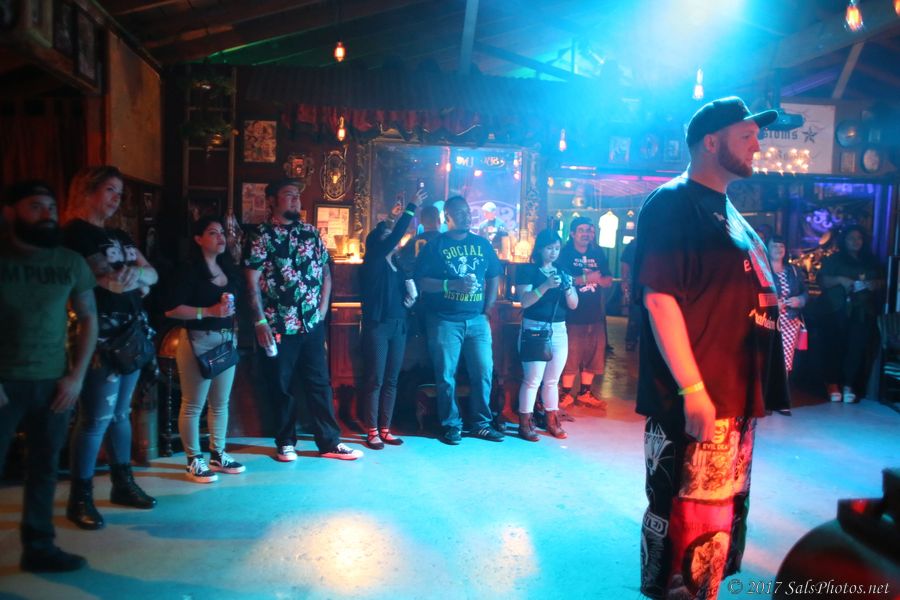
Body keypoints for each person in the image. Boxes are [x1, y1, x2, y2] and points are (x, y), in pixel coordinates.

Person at [633, 96, 788, 600]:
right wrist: (692, 388)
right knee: (686, 522)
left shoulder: (729, 211)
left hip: (734, 397)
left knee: (717, 523)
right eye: (747, 136)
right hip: (700, 397)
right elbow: (660, 298)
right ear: (711, 142)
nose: (757, 145)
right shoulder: (673, 203)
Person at [0, 181, 97, 572]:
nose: (47, 215)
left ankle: (39, 547)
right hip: (4, 383)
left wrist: (76, 377)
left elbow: (89, 317)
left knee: (44, 468)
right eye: (36, 207)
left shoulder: (70, 262)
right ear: (10, 213)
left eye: (51, 208)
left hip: (54, 382)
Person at [62, 166, 158, 531]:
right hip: (98, 336)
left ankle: (123, 483)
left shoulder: (119, 234)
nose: (116, 199)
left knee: (120, 414)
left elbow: (151, 274)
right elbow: (106, 281)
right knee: (95, 419)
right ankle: (80, 497)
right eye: (109, 190)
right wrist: (135, 280)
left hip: (129, 335)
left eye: (119, 193)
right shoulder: (74, 233)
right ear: (87, 190)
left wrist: (138, 278)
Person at [244, 179, 362, 461]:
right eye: (288, 195)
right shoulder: (261, 235)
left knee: (319, 382)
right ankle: (285, 442)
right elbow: (251, 281)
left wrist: (322, 310)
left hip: (311, 322)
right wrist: (260, 322)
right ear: (272, 200)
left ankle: (330, 443)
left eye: (297, 195)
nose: (296, 200)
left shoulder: (311, 233)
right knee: (281, 385)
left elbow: (326, 274)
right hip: (278, 324)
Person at [415, 195, 503, 444]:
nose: (467, 216)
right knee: (446, 375)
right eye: (460, 212)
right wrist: (451, 284)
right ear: (448, 217)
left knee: (483, 371)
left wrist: (488, 307)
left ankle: (481, 424)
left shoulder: (482, 244)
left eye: (468, 212)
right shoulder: (435, 246)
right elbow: (421, 282)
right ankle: (451, 424)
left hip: (477, 319)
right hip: (444, 320)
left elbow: (494, 275)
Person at [163, 216, 245, 482]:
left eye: (222, 232)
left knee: (220, 403)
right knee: (192, 404)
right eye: (212, 233)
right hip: (196, 340)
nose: (221, 237)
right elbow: (172, 310)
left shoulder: (228, 269)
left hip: (225, 341)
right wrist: (209, 311)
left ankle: (218, 454)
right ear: (198, 239)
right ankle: (193, 459)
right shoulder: (189, 271)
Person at [359, 188, 424, 449]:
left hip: (398, 325)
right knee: (375, 379)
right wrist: (410, 208)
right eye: (387, 238)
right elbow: (394, 235)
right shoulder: (373, 262)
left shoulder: (397, 264)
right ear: (376, 244)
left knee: (392, 379)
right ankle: (372, 430)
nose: (393, 241)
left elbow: (407, 292)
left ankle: (385, 428)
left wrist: (410, 299)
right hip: (378, 326)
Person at [516, 229, 578, 441]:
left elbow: (573, 304)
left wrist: (568, 288)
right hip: (534, 328)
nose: (554, 252)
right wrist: (545, 285)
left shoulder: (563, 270)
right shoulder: (528, 271)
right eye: (550, 248)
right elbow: (524, 301)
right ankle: (525, 423)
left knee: (552, 380)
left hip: (559, 329)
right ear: (540, 248)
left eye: (557, 248)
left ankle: (552, 420)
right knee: (532, 379)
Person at [817, 224, 884, 404]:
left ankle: (849, 385)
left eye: (859, 238)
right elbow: (822, 280)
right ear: (844, 241)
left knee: (856, 348)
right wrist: (841, 280)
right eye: (851, 238)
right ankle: (832, 384)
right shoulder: (834, 259)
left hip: (862, 310)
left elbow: (883, 281)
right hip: (837, 309)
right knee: (835, 347)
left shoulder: (870, 261)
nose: (856, 241)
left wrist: (874, 284)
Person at [557, 216, 613, 409]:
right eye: (581, 230)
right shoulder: (565, 254)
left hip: (595, 313)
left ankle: (585, 393)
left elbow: (607, 280)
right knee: (571, 354)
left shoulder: (598, 253)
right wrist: (587, 278)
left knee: (594, 353)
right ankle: (565, 394)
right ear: (572, 233)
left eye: (589, 230)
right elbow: (562, 280)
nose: (586, 234)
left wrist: (599, 280)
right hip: (571, 314)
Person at [766, 235, 808, 376]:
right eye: (774, 246)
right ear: (767, 248)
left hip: (790, 321)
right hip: (768, 322)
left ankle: (781, 389)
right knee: (767, 359)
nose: (778, 249)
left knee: (785, 362)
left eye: (781, 246)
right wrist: (773, 304)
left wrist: (800, 300)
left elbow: (805, 292)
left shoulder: (793, 270)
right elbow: (752, 294)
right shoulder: (761, 270)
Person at [620, 237, 640, 352]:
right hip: (637, 285)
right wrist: (624, 281)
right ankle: (631, 340)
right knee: (636, 314)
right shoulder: (634, 244)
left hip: (655, 284)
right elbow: (625, 263)